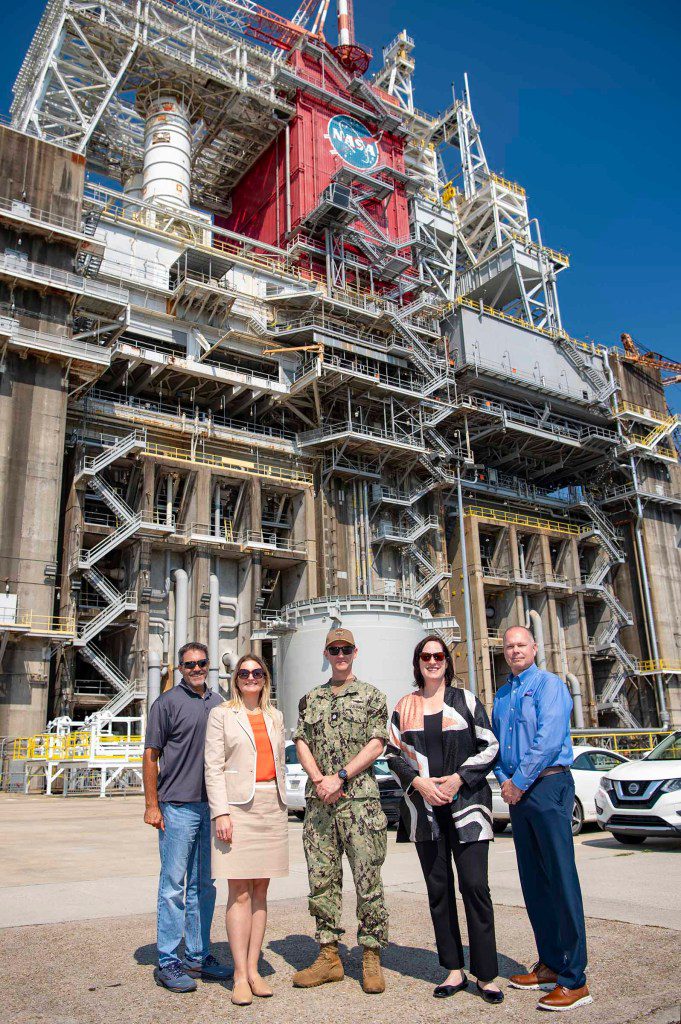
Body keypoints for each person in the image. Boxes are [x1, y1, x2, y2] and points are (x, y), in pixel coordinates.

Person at [386, 635, 503, 1004]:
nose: (433, 661)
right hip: (425, 812)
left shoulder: (466, 701)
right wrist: (419, 783)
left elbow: (491, 745)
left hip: (466, 806)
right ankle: (453, 969)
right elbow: (393, 754)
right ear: (417, 662)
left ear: (447, 662)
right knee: (439, 892)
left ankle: (486, 974)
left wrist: (457, 779)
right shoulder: (405, 705)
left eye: (439, 656)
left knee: (474, 887)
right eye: (426, 656)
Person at [492, 625, 592, 1012]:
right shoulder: (502, 695)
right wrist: (505, 781)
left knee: (561, 879)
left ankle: (575, 979)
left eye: (521, 645)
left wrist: (517, 781)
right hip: (518, 794)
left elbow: (548, 739)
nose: (515, 651)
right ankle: (550, 962)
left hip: (549, 787)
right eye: (509, 646)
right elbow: (497, 747)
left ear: (535, 647)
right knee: (534, 882)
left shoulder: (550, 686)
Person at [291, 626, 389, 995]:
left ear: (355, 651)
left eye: (346, 648)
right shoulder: (310, 699)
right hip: (320, 805)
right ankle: (329, 956)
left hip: (359, 804)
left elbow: (377, 744)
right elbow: (301, 741)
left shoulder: (372, 696)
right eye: (334, 649)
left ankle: (371, 955)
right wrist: (320, 779)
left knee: (368, 881)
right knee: (322, 881)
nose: (340, 654)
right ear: (327, 654)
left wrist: (341, 776)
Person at [143, 641, 230, 992]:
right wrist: (152, 805)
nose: (196, 668)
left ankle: (197, 954)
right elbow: (151, 756)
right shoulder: (166, 703)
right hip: (176, 806)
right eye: (189, 664)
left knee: (204, 886)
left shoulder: (220, 703)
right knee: (173, 887)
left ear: (208, 666)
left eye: (201, 663)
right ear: (179, 668)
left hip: (210, 808)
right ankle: (167, 959)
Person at [204, 653, 288, 1006]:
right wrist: (220, 813)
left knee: (260, 891)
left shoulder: (275, 716)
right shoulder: (221, 714)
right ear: (235, 680)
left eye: (256, 672)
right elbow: (213, 766)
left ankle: (254, 970)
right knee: (238, 891)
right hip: (237, 809)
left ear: (265, 679)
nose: (250, 677)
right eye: (244, 673)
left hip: (272, 806)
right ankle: (239, 974)